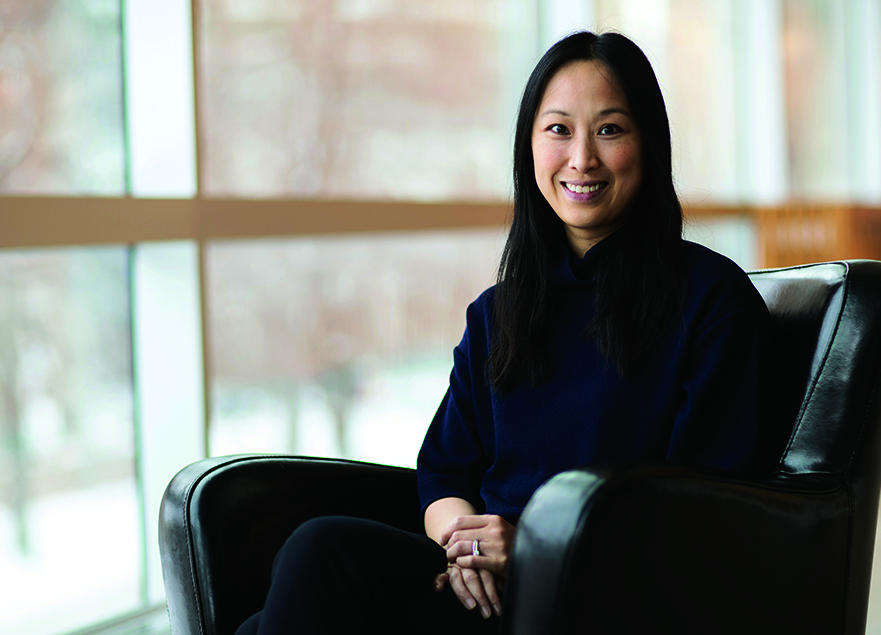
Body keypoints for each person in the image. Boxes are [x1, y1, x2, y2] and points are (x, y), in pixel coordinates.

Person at [235, 30, 771, 635]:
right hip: (481, 588)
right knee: (299, 578)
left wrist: (534, 548)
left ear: (649, 144)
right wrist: (466, 547)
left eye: (611, 129)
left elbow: (707, 509)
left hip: (596, 595)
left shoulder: (710, 299)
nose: (582, 159)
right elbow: (443, 471)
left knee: (310, 570)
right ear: (529, 147)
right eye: (559, 130)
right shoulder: (500, 313)